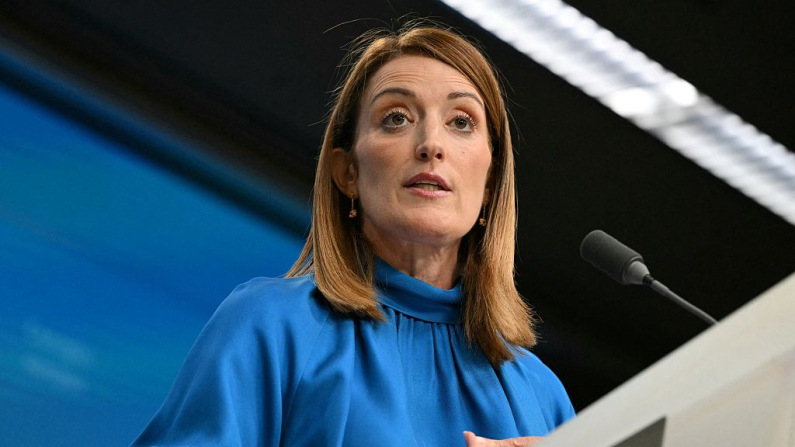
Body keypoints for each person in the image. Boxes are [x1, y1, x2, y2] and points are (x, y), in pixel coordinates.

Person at [132, 22, 575, 447]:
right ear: (348, 172)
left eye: (461, 122)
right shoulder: (270, 325)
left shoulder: (543, 396)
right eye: (396, 117)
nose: (431, 144)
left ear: (490, 184)